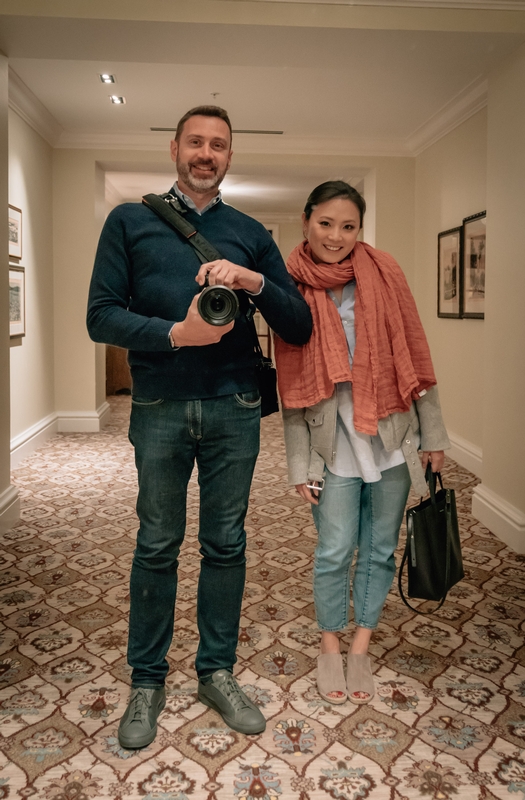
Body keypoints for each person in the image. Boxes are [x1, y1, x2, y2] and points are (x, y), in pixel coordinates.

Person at [87, 106, 312, 747]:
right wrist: (174, 335)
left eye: (218, 144)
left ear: (230, 156)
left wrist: (254, 280)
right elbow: (100, 316)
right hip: (158, 403)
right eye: (196, 142)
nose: (206, 153)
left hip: (234, 406)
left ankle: (216, 672)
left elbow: (298, 323)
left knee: (226, 543)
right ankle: (147, 681)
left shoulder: (246, 233)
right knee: (156, 543)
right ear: (174, 149)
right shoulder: (129, 220)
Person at [274, 181, 449, 706]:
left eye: (348, 226)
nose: (336, 236)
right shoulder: (291, 286)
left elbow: (415, 355)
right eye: (326, 223)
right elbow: (292, 386)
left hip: (392, 434)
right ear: (306, 221)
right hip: (333, 440)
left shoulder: (385, 272)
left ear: (360, 229)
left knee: (379, 548)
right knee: (333, 549)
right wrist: (299, 464)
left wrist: (433, 435)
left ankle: (361, 645)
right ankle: (330, 642)